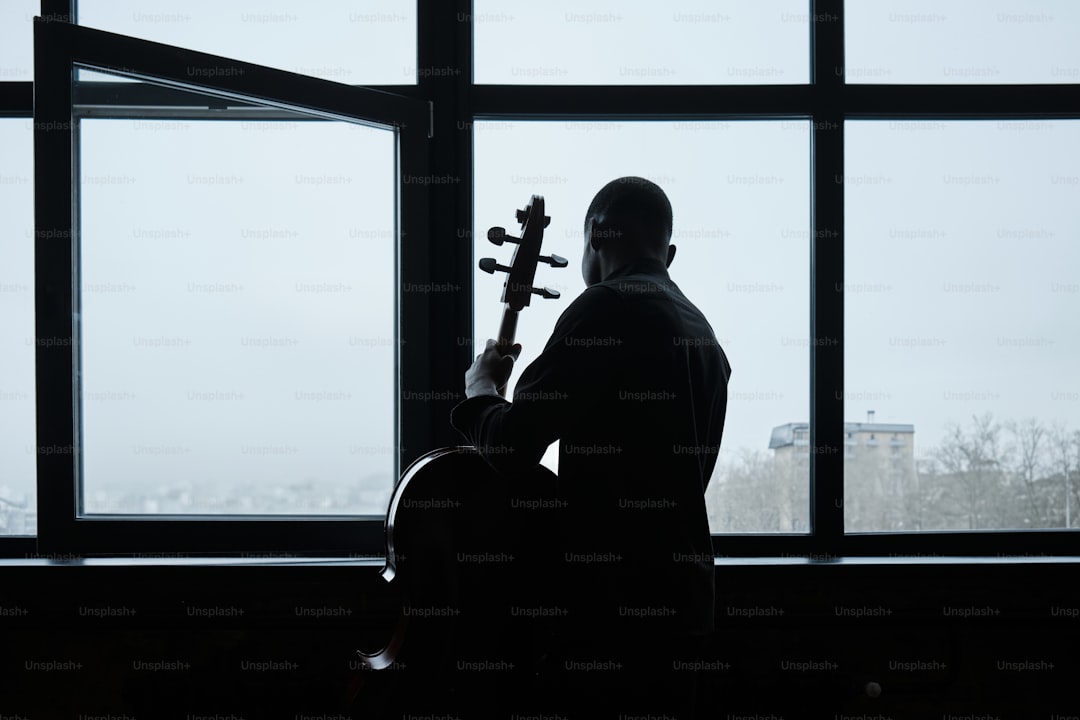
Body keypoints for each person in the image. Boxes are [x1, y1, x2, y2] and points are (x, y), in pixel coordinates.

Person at [451, 176, 731, 717]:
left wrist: (481, 388)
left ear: (596, 234)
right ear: (667, 252)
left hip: (609, 611)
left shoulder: (604, 308)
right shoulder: (704, 334)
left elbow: (511, 448)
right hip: (686, 604)